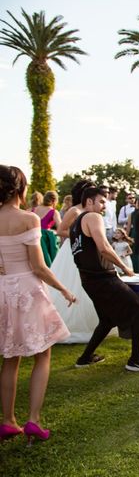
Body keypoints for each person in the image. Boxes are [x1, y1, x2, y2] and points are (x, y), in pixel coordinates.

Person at [0, 165, 74, 443]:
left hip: (2, 290)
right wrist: (64, 289)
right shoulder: (28, 219)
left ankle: (7, 420)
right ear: (20, 188)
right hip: (27, 289)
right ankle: (34, 420)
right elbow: (39, 267)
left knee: (10, 357)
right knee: (42, 353)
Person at [71, 187, 139, 372]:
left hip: (88, 280)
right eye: (101, 201)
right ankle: (136, 359)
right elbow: (103, 247)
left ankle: (85, 357)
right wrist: (125, 267)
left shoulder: (75, 222)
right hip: (103, 278)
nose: (104, 205)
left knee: (107, 320)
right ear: (89, 202)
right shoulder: (93, 217)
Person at [48, 179, 100, 343]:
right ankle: (69, 326)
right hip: (72, 252)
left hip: (89, 252)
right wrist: (79, 235)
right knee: (73, 284)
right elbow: (60, 230)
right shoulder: (74, 210)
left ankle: (96, 324)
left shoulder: (93, 212)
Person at [32, 191, 61, 267]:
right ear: (54, 201)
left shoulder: (33, 209)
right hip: (45, 241)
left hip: (33, 237)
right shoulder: (53, 212)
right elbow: (61, 227)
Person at [127, 195, 139, 272]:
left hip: (136, 233)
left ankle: (137, 269)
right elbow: (128, 226)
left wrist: (126, 237)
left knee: (136, 253)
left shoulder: (132, 214)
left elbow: (128, 227)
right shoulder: (134, 214)